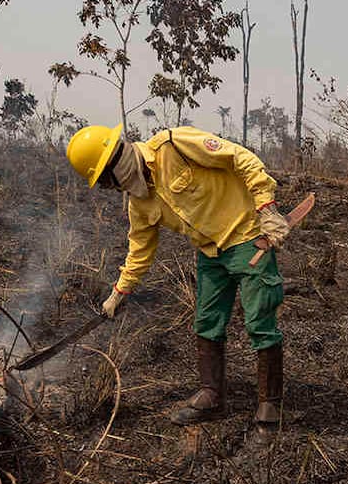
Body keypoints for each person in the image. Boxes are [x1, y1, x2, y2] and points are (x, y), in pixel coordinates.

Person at [65, 123, 292, 428]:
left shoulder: (174, 145)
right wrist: (119, 293)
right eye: (104, 184)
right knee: (207, 323)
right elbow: (140, 250)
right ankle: (212, 396)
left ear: (115, 160)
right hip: (210, 252)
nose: (112, 188)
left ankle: (269, 407)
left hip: (248, 236)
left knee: (259, 321)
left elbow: (241, 158)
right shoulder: (140, 203)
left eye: (107, 179)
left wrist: (267, 208)